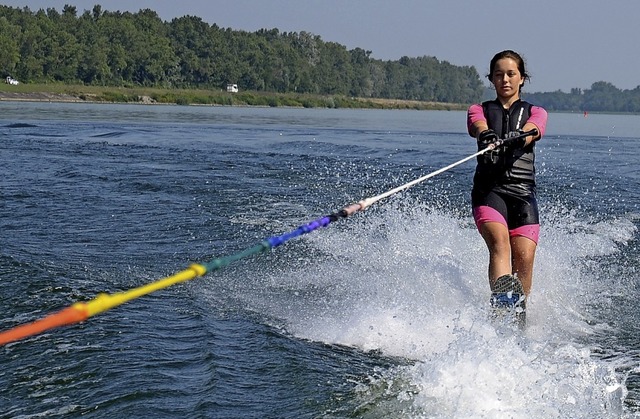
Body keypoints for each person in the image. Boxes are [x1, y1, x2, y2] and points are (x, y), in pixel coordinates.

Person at [466, 50, 548, 320]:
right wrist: (486, 133)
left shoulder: (536, 112)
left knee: (524, 257)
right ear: (491, 79)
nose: (505, 79)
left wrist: (520, 137)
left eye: (511, 74)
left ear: (522, 78)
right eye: (499, 74)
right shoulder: (479, 110)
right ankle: (502, 306)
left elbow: (536, 129)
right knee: (500, 243)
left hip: (523, 194)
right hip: (489, 192)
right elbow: (476, 124)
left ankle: (519, 314)